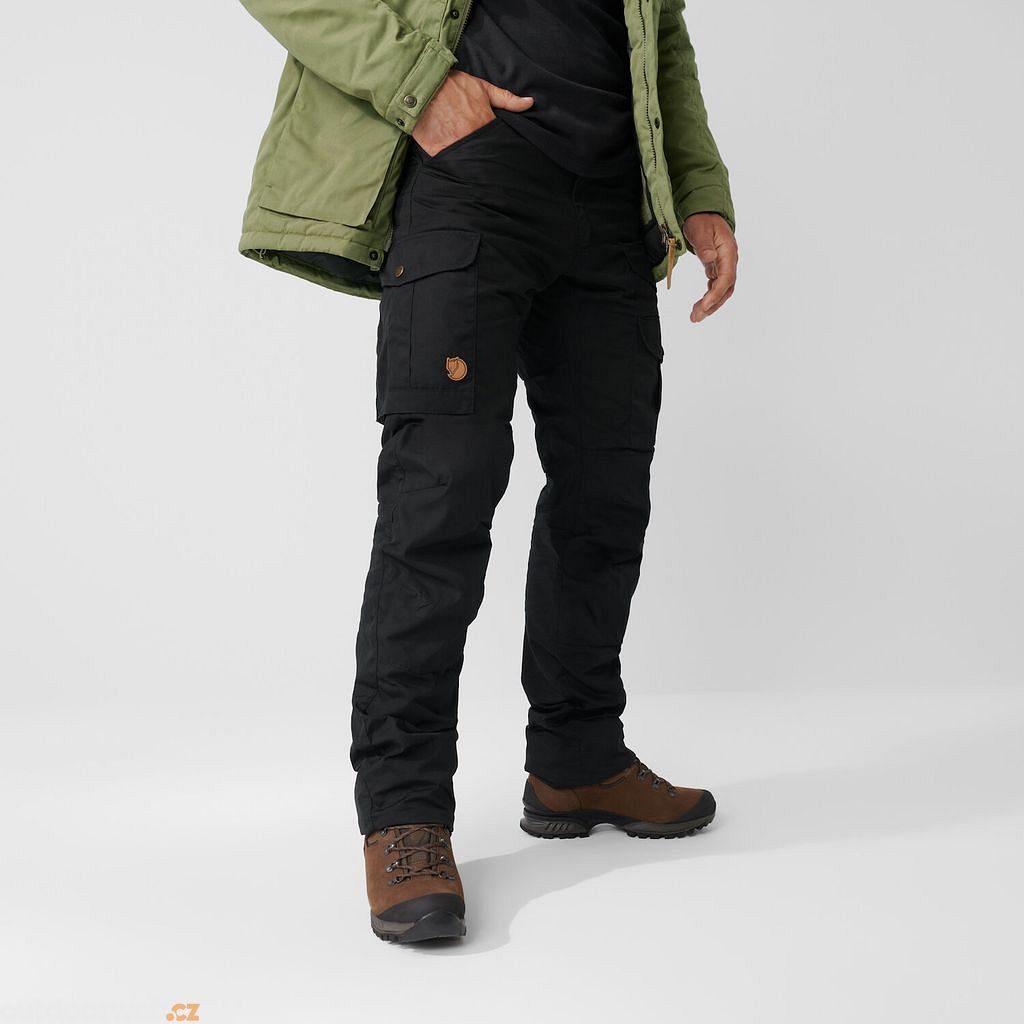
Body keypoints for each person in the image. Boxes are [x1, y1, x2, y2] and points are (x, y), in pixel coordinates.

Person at [237, 0, 738, 944]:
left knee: (605, 498)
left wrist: (698, 186)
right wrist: (418, 85)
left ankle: (578, 757)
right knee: (440, 501)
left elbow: (660, 33)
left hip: (612, 200)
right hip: (470, 179)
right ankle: (405, 814)